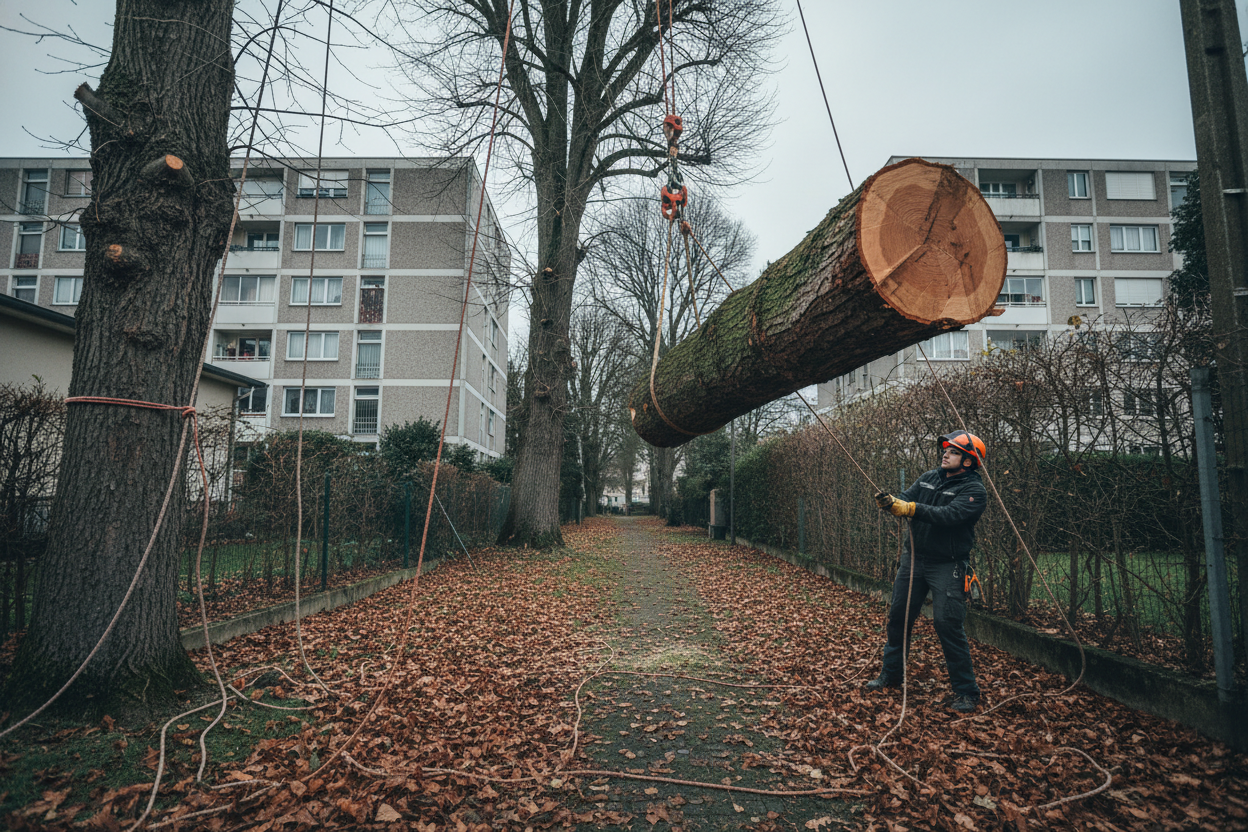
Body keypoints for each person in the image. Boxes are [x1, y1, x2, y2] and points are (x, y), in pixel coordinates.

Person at [866, 430, 988, 713]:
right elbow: (906, 499)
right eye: (946, 450)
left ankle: (966, 692)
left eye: (953, 452)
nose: (945, 454)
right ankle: (891, 675)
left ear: (968, 461)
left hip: (948, 564)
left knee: (947, 624)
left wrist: (910, 508)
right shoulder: (928, 478)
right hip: (914, 561)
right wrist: (891, 503)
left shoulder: (974, 490)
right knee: (898, 618)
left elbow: (949, 515)